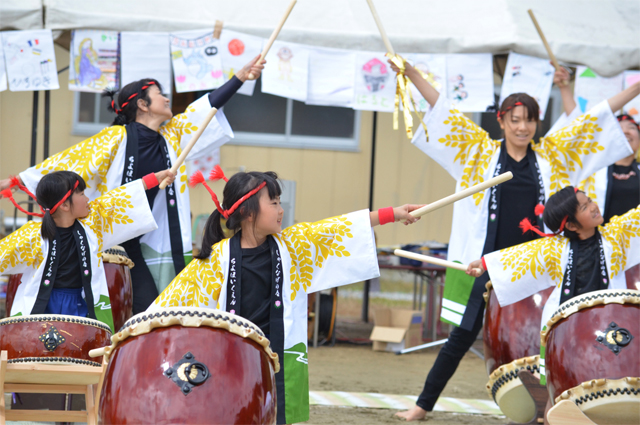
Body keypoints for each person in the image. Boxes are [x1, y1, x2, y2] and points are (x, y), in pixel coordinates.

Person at [389, 56, 640, 421]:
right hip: (489, 261)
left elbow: (595, 118)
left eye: (530, 120)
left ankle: (561, 404)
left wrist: (635, 89)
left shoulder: (554, 156)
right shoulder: (478, 152)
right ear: (502, 121)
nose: (523, 127)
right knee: (461, 336)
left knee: (556, 332)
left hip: (543, 264)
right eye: (515, 120)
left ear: (537, 123)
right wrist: (411, 73)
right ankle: (422, 405)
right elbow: (442, 109)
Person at [150, 166, 423, 424]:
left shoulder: (293, 247)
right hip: (230, 359)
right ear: (247, 211)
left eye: (280, 202)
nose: (281, 210)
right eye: (274, 203)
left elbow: (338, 227)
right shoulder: (215, 260)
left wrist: (393, 214)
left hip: (276, 357)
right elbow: (170, 307)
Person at [0, 55, 265, 314]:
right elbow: (72, 160)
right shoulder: (116, 137)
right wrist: (16, 181)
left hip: (158, 237)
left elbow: (206, 109)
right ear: (142, 104)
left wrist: (240, 78)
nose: (166, 97)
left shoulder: (172, 135)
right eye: (159, 93)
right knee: (138, 309)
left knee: (165, 307)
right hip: (117, 236)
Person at [0, 169, 174, 330]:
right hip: (43, 303)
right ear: (65, 206)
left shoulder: (93, 223)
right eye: (82, 194)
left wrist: (152, 180)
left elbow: (119, 198)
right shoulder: (32, 235)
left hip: (81, 304)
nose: (87, 198)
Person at [467, 186, 639, 325]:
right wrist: (485, 264)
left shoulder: (616, 236)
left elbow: (636, 218)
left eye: (590, 201)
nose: (594, 207)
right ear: (571, 225)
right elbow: (519, 256)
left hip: (611, 321)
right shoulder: (555, 250)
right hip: (565, 326)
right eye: (585, 207)